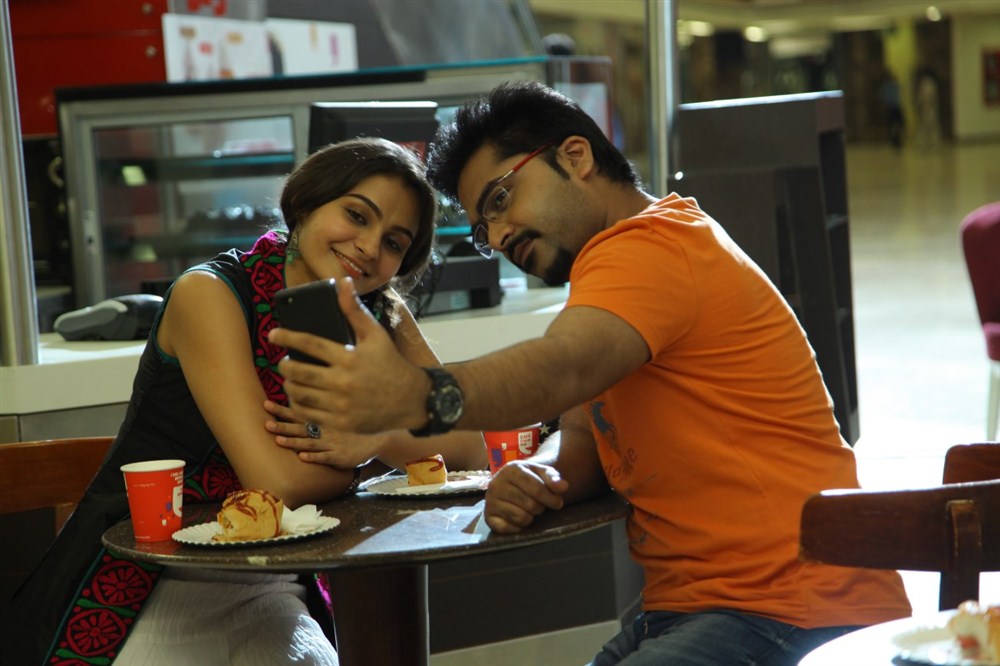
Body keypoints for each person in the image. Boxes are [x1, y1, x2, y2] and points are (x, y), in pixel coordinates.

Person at [267, 82, 912, 665]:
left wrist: (416, 394)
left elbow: (564, 365)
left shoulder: (649, 246)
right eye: (484, 227)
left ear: (575, 156)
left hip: (793, 606)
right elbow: (583, 429)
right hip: (700, 608)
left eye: (500, 199)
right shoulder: (613, 276)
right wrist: (543, 470)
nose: (499, 235)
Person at [1, 137, 485, 665]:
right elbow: (277, 485)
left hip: (273, 590)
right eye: (356, 215)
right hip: (150, 588)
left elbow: (470, 447)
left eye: (394, 242)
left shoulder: (376, 312)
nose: (370, 247)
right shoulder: (209, 294)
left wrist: (375, 437)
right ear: (304, 204)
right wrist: (373, 458)